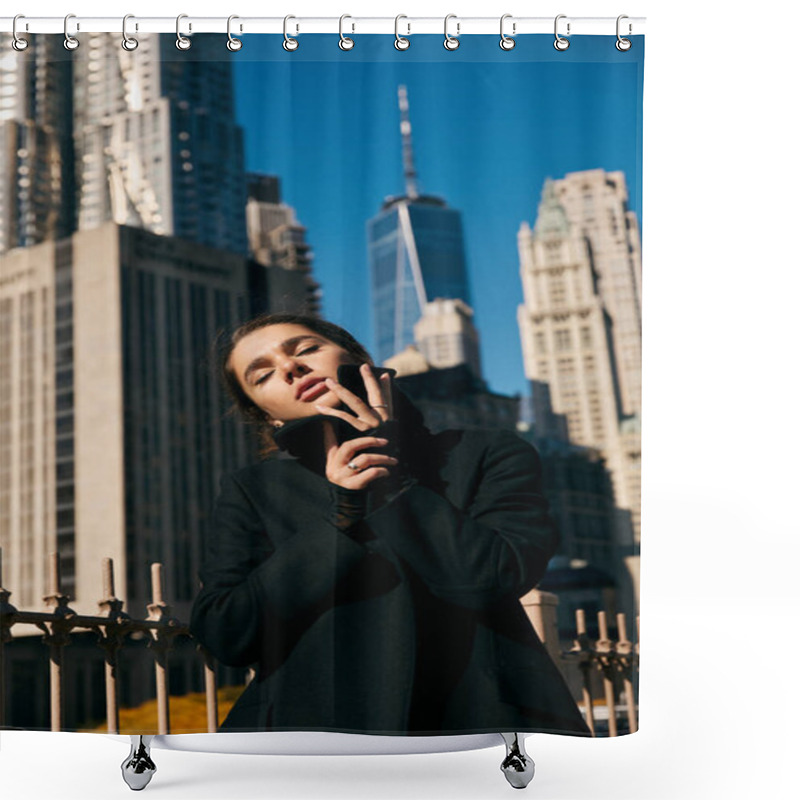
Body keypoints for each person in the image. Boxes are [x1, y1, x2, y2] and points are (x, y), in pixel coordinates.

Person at [189, 312, 589, 736]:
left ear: (359, 358)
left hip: (478, 727)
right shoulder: (254, 490)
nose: (290, 368)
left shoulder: (485, 453)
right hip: (315, 738)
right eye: (263, 375)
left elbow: (500, 573)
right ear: (268, 415)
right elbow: (224, 631)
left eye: (306, 349)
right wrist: (341, 518)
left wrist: (392, 484)